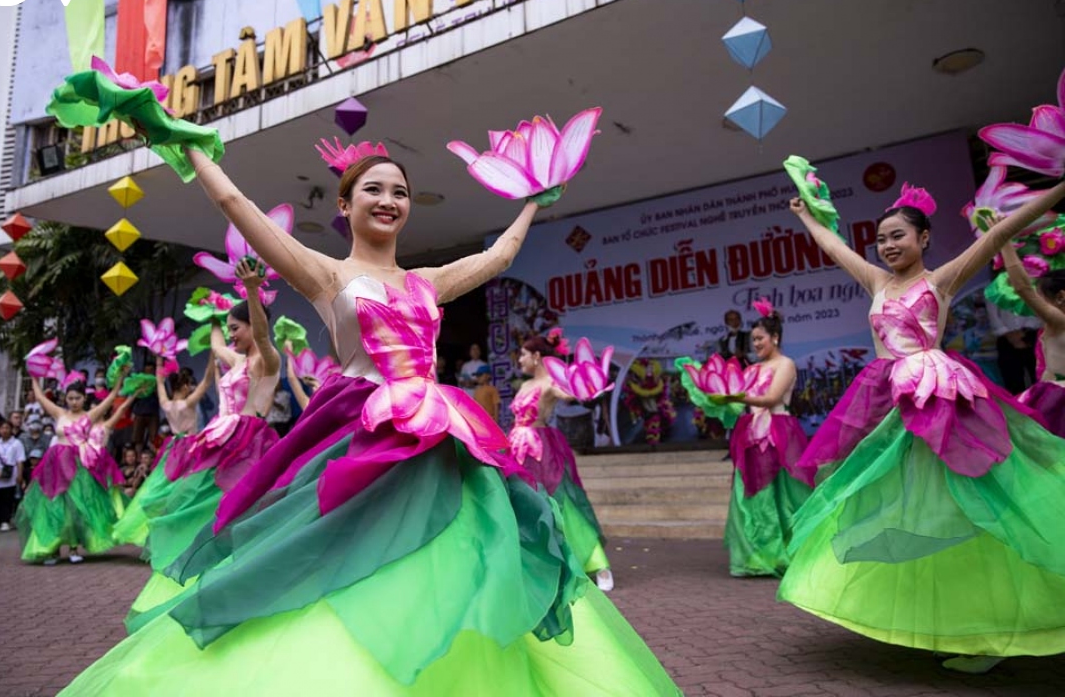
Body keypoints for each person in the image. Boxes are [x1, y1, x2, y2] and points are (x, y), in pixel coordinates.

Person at [57, 141, 677, 694]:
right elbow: (234, 202)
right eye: (373, 190)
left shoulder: (428, 280)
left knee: (459, 554)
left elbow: (501, 256)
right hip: (362, 432)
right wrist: (182, 143)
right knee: (341, 552)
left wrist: (535, 199)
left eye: (400, 192)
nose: (389, 201)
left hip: (440, 435)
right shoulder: (327, 274)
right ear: (346, 205)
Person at [779, 176, 1065, 674]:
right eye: (882, 239)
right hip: (892, 412)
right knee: (912, 516)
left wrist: (1060, 188)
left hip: (942, 403)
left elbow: (1001, 235)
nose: (888, 246)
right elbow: (832, 245)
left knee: (969, 512)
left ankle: (986, 635)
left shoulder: (941, 281)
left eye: (899, 236)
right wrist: (804, 216)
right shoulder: (874, 281)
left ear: (924, 238)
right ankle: (949, 625)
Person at [118, 267, 283, 624]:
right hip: (221, 443)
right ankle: (205, 579)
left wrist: (252, 293)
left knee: (239, 514)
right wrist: (212, 310)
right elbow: (215, 345)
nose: (231, 334)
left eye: (235, 327)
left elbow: (262, 333)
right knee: (202, 510)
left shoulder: (265, 361)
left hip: (250, 446)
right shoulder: (237, 360)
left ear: (253, 326)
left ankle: (242, 585)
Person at [510, 334, 614, 592]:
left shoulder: (550, 384)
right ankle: (540, 565)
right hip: (516, 448)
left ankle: (598, 564)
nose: (520, 359)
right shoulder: (523, 386)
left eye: (523, 354)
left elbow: (570, 395)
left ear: (536, 356)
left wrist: (589, 387)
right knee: (524, 505)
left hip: (541, 450)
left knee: (561, 503)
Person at [721, 303, 811, 577]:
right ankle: (757, 555)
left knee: (782, 495)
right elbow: (740, 405)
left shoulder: (785, 364)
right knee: (754, 496)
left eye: (760, 339)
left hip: (777, 432)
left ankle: (785, 552)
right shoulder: (750, 370)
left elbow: (771, 399)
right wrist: (719, 401)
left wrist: (736, 397)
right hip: (751, 436)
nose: (756, 344)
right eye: (753, 340)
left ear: (776, 338)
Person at [17, 373, 131, 565]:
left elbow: (111, 398)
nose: (74, 402)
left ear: (84, 398)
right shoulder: (59, 414)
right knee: (53, 507)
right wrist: (35, 377)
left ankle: (73, 548)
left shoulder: (89, 416)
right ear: (65, 399)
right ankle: (52, 550)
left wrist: (120, 378)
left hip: (79, 466)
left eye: (77, 398)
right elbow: (40, 398)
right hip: (56, 465)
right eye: (70, 398)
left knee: (77, 508)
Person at [997, 244, 1065, 433]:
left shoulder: (1058, 320)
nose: (1036, 302)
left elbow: (1022, 287)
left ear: (1060, 297)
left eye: (1040, 296)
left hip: (1058, 401)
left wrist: (1005, 244)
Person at [0, 419, 25, 532]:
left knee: (7, 498)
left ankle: (5, 521)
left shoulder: (16, 443)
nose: (5, 430)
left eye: (7, 428)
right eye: (2, 428)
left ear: (11, 430)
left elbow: (20, 460)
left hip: (10, 475)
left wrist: (20, 475)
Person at [131, 360, 162, 452]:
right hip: (139, 412)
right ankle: (138, 458)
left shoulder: (158, 382)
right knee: (137, 438)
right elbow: (133, 398)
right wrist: (132, 412)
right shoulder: (139, 382)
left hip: (153, 412)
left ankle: (154, 458)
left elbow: (164, 396)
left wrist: (156, 388)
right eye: (146, 370)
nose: (148, 372)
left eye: (151, 370)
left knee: (154, 438)